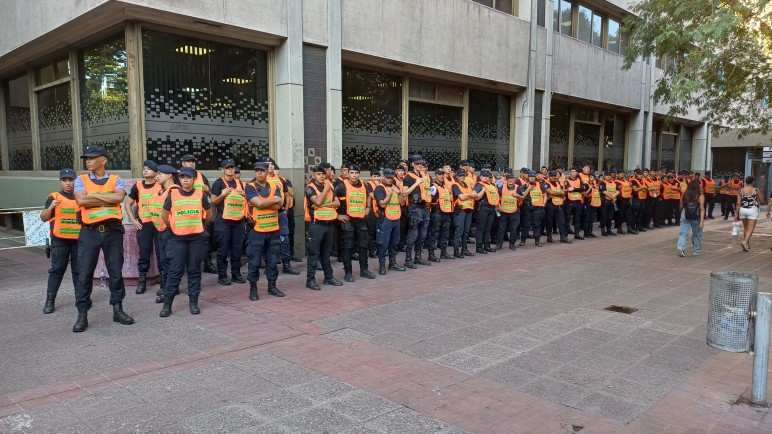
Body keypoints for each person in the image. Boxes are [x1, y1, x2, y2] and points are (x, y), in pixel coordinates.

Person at [72, 146, 134, 332]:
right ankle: (82, 314)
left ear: (103, 160)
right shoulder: (80, 180)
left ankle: (118, 310)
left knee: (115, 271)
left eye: (92, 158)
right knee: (84, 274)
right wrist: (108, 198)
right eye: (86, 159)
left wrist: (92, 196)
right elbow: (81, 201)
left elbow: (120, 197)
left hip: (112, 231)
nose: (88, 161)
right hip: (89, 232)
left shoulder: (117, 179)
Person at [159, 167, 213, 317]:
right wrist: (173, 227)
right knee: (174, 272)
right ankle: (167, 304)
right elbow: (164, 215)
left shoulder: (200, 194)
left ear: (194, 179)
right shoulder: (173, 194)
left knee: (194, 270)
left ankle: (193, 302)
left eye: (188, 177)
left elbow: (208, 214)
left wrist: (201, 225)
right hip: (177, 238)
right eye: (182, 177)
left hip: (196, 238)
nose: (185, 180)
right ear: (179, 179)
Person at [40, 168, 81, 314]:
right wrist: (51, 206)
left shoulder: (81, 196)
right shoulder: (54, 197)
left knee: (78, 271)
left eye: (71, 180)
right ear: (60, 181)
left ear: (75, 180)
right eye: (65, 180)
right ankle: (49, 301)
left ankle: (81, 300)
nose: (68, 183)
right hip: (59, 240)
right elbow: (43, 218)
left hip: (79, 240)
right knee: (57, 271)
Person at [245, 162, 285, 300]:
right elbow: (259, 204)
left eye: (262, 170)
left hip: (273, 230)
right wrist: (271, 202)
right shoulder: (250, 187)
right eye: (257, 171)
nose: (259, 173)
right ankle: (253, 288)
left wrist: (265, 203)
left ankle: (272, 286)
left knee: (273, 261)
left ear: (267, 172)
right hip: (257, 231)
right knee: (255, 261)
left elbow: (280, 203)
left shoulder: (274, 186)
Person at [124, 160, 161, 294]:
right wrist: (133, 220)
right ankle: (142, 281)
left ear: (156, 173)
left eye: (149, 169)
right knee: (144, 254)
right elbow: (127, 204)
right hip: (144, 225)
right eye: (144, 168)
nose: (145, 170)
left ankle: (164, 281)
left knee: (162, 254)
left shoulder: (161, 185)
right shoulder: (138, 186)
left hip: (159, 224)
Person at [334, 164, 376, 281]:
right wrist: (337, 216)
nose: (354, 175)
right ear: (348, 174)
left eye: (356, 173)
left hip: (361, 219)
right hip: (347, 220)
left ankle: (364, 270)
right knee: (348, 246)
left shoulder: (364, 184)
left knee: (363, 245)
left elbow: (369, 195)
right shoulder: (341, 186)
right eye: (352, 173)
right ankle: (348, 272)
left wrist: (368, 207)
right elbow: (330, 199)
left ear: (359, 173)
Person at [305, 164, 343, 290]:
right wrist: (326, 190)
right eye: (318, 174)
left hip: (329, 224)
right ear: (314, 175)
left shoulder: (330, 187)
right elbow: (318, 202)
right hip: (317, 225)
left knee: (326, 254)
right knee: (313, 253)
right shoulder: (310, 188)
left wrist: (324, 205)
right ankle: (310, 280)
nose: (321, 176)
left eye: (322, 174)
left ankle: (329, 277)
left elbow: (337, 203)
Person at [210, 158, 247, 286]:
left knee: (237, 249)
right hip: (223, 221)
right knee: (223, 249)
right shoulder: (219, 183)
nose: (231, 170)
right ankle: (222, 275)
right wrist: (223, 194)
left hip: (238, 221)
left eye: (232, 167)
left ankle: (236, 274)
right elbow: (213, 201)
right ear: (222, 170)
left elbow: (248, 201)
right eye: (228, 168)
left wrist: (244, 195)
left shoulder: (240, 183)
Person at [180, 154, 217, 274]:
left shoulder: (201, 176)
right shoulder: (178, 177)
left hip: (201, 214)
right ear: (183, 164)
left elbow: (210, 194)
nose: (191, 164)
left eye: (193, 162)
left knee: (205, 240)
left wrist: (208, 190)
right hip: (184, 216)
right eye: (188, 161)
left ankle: (207, 263)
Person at [149, 165, 179, 304]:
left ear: (169, 176)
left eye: (160, 174)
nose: (157, 176)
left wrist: (169, 227)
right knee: (163, 260)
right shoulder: (162, 191)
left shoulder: (174, 191)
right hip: (161, 230)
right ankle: (168, 286)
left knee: (169, 261)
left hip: (169, 230)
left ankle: (170, 289)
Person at [373, 168, 407, 274]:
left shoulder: (395, 187)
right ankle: (382, 265)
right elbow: (382, 203)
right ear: (383, 177)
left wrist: (399, 193)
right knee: (383, 244)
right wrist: (391, 193)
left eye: (391, 178)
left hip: (396, 219)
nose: (389, 180)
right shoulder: (379, 188)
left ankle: (392, 264)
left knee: (394, 243)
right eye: (387, 178)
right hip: (385, 220)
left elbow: (402, 203)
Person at [401, 155, 432, 268]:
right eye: (418, 163)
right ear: (413, 164)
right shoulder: (408, 177)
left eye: (421, 163)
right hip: (414, 208)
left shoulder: (425, 176)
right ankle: (408, 259)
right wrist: (416, 183)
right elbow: (404, 193)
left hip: (425, 207)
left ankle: (418, 257)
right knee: (413, 234)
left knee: (422, 235)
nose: (420, 165)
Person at [427, 168, 455, 260]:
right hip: (437, 213)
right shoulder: (433, 187)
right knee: (434, 234)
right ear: (436, 175)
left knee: (445, 234)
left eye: (443, 174)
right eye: (440, 174)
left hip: (446, 214)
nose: (442, 176)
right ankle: (431, 254)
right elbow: (428, 201)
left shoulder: (445, 187)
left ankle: (443, 252)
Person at [472, 170, 499, 254]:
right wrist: (483, 191)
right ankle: (479, 247)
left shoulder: (491, 185)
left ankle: (487, 245)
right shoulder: (479, 185)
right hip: (483, 208)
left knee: (488, 229)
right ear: (480, 177)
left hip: (491, 208)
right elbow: (475, 196)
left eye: (488, 176)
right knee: (481, 228)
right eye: (484, 176)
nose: (486, 178)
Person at [451, 169, 476, 258]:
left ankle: (464, 249)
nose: (462, 177)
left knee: (466, 231)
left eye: (463, 175)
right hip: (460, 210)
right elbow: (461, 197)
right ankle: (456, 250)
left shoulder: (468, 185)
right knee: (459, 230)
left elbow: (475, 195)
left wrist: (467, 195)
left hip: (469, 209)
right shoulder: (455, 185)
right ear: (457, 176)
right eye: (460, 175)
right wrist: (470, 195)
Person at [677, 180, 704, 257]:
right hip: (696, 215)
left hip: (685, 214)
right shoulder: (700, 196)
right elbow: (702, 209)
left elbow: (681, 206)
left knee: (683, 233)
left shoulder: (684, 194)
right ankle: (696, 250)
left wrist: (681, 214)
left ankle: (681, 247)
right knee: (697, 234)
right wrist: (702, 221)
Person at [496, 173, 524, 249]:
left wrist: (517, 195)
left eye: (512, 178)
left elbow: (522, 198)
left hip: (514, 212)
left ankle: (512, 244)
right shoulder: (501, 187)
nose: (511, 180)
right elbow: (496, 198)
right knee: (501, 229)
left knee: (513, 229)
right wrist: (498, 207)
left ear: (514, 179)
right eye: (509, 178)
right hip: (503, 212)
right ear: (506, 179)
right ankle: (499, 244)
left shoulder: (518, 188)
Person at [737, 176, 764, 252]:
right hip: (752, 209)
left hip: (742, 209)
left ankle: (747, 244)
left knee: (745, 227)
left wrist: (736, 214)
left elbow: (738, 203)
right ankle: (745, 241)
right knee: (751, 228)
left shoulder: (740, 190)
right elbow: (762, 201)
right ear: (753, 182)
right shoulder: (756, 190)